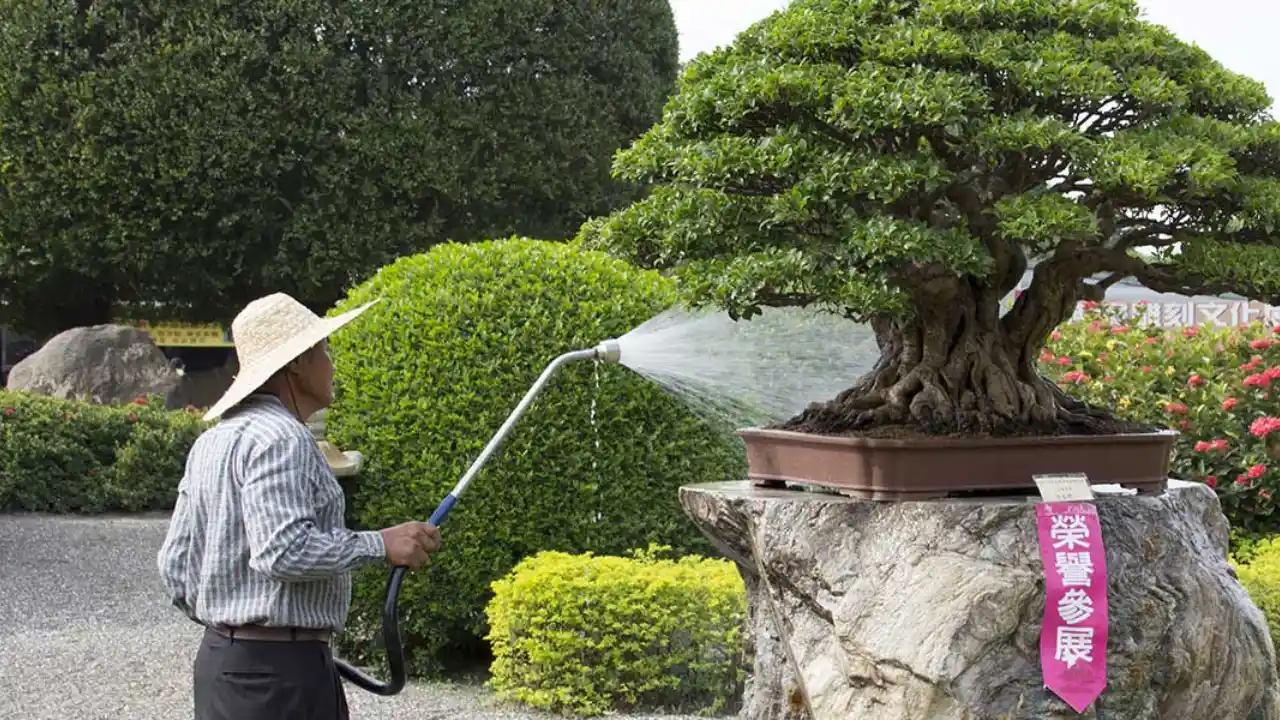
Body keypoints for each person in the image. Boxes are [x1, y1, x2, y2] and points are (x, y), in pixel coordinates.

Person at [156, 292, 443, 720]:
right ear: (296, 363)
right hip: (279, 679)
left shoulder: (212, 441)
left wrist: (233, 628)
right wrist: (381, 544)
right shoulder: (283, 439)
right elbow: (283, 552)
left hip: (222, 668)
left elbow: (174, 567)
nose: (331, 364)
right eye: (324, 351)